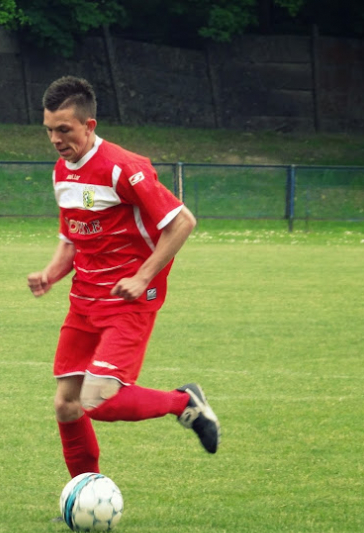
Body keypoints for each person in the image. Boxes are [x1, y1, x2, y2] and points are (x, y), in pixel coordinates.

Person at [27, 76, 220, 482]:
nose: (55, 139)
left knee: (99, 400)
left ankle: (183, 402)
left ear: (89, 125)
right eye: (49, 130)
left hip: (129, 301)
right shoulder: (62, 171)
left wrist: (142, 275)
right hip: (84, 301)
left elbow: (182, 222)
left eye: (64, 130)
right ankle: (84, 489)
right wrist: (50, 273)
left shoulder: (122, 169)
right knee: (67, 404)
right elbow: (71, 241)